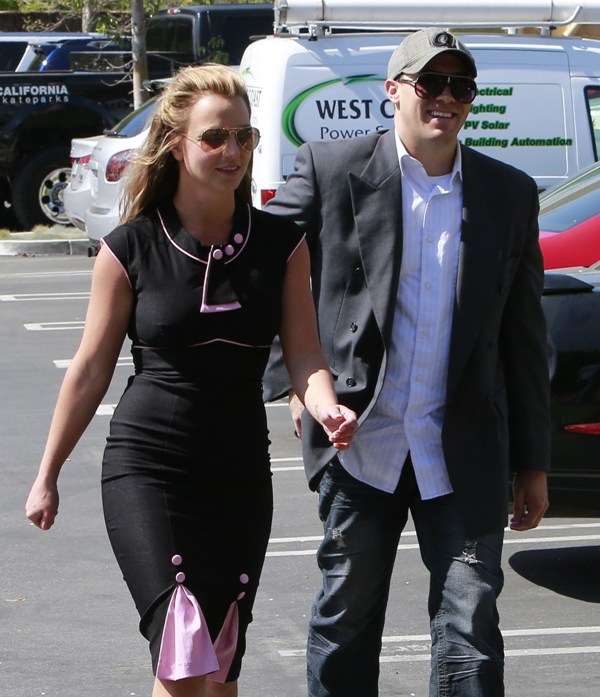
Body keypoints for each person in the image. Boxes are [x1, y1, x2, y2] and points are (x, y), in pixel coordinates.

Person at [25, 64, 357, 697]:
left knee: (221, 661)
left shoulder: (282, 245)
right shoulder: (129, 248)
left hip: (238, 472)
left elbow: (306, 356)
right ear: (176, 143)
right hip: (150, 467)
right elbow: (90, 369)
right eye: (214, 137)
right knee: (184, 654)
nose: (232, 151)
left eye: (244, 137)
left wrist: (326, 407)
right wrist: (48, 474)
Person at [263, 27, 550, 697]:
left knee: (470, 631)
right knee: (345, 622)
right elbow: (267, 272)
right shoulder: (332, 168)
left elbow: (525, 334)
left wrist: (533, 462)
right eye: (431, 82)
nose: (446, 97)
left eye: (460, 86)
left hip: (464, 451)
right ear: (394, 90)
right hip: (362, 445)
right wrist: (297, 382)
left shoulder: (508, 193)